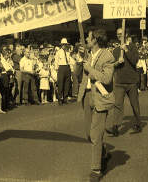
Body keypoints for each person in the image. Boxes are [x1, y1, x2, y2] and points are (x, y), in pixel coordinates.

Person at [77, 28, 115, 182]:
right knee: (90, 134)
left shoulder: (107, 56)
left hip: (100, 98)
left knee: (96, 134)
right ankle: (102, 151)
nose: (86, 38)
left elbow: (106, 79)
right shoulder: (87, 54)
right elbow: (78, 73)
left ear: (95, 40)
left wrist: (89, 68)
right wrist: (81, 62)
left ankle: (96, 169)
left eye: (89, 37)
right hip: (86, 97)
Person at [108, 28, 142, 136]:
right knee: (117, 105)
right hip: (119, 82)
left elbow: (135, 60)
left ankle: (138, 124)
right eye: (117, 34)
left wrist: (126, 50)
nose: (119, 35)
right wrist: (118, 62)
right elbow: (112, 65)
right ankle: (115, 127)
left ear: (126, 35)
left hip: (131, 82)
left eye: (121, 34)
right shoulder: (116, 50)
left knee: (134, 104)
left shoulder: (133, 47)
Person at [54, 38, 71, 105]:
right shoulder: (58, 52)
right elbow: (56, 61)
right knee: (60, 84)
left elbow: (69, 60)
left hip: (67, 67)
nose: (64, 46)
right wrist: (56, 69)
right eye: (63, 44)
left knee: (67, 84)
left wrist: (70, 68)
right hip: (61, 67)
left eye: (65, 44)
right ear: (61, 45)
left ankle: (65, 99)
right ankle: (60, 99)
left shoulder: (68, 52)